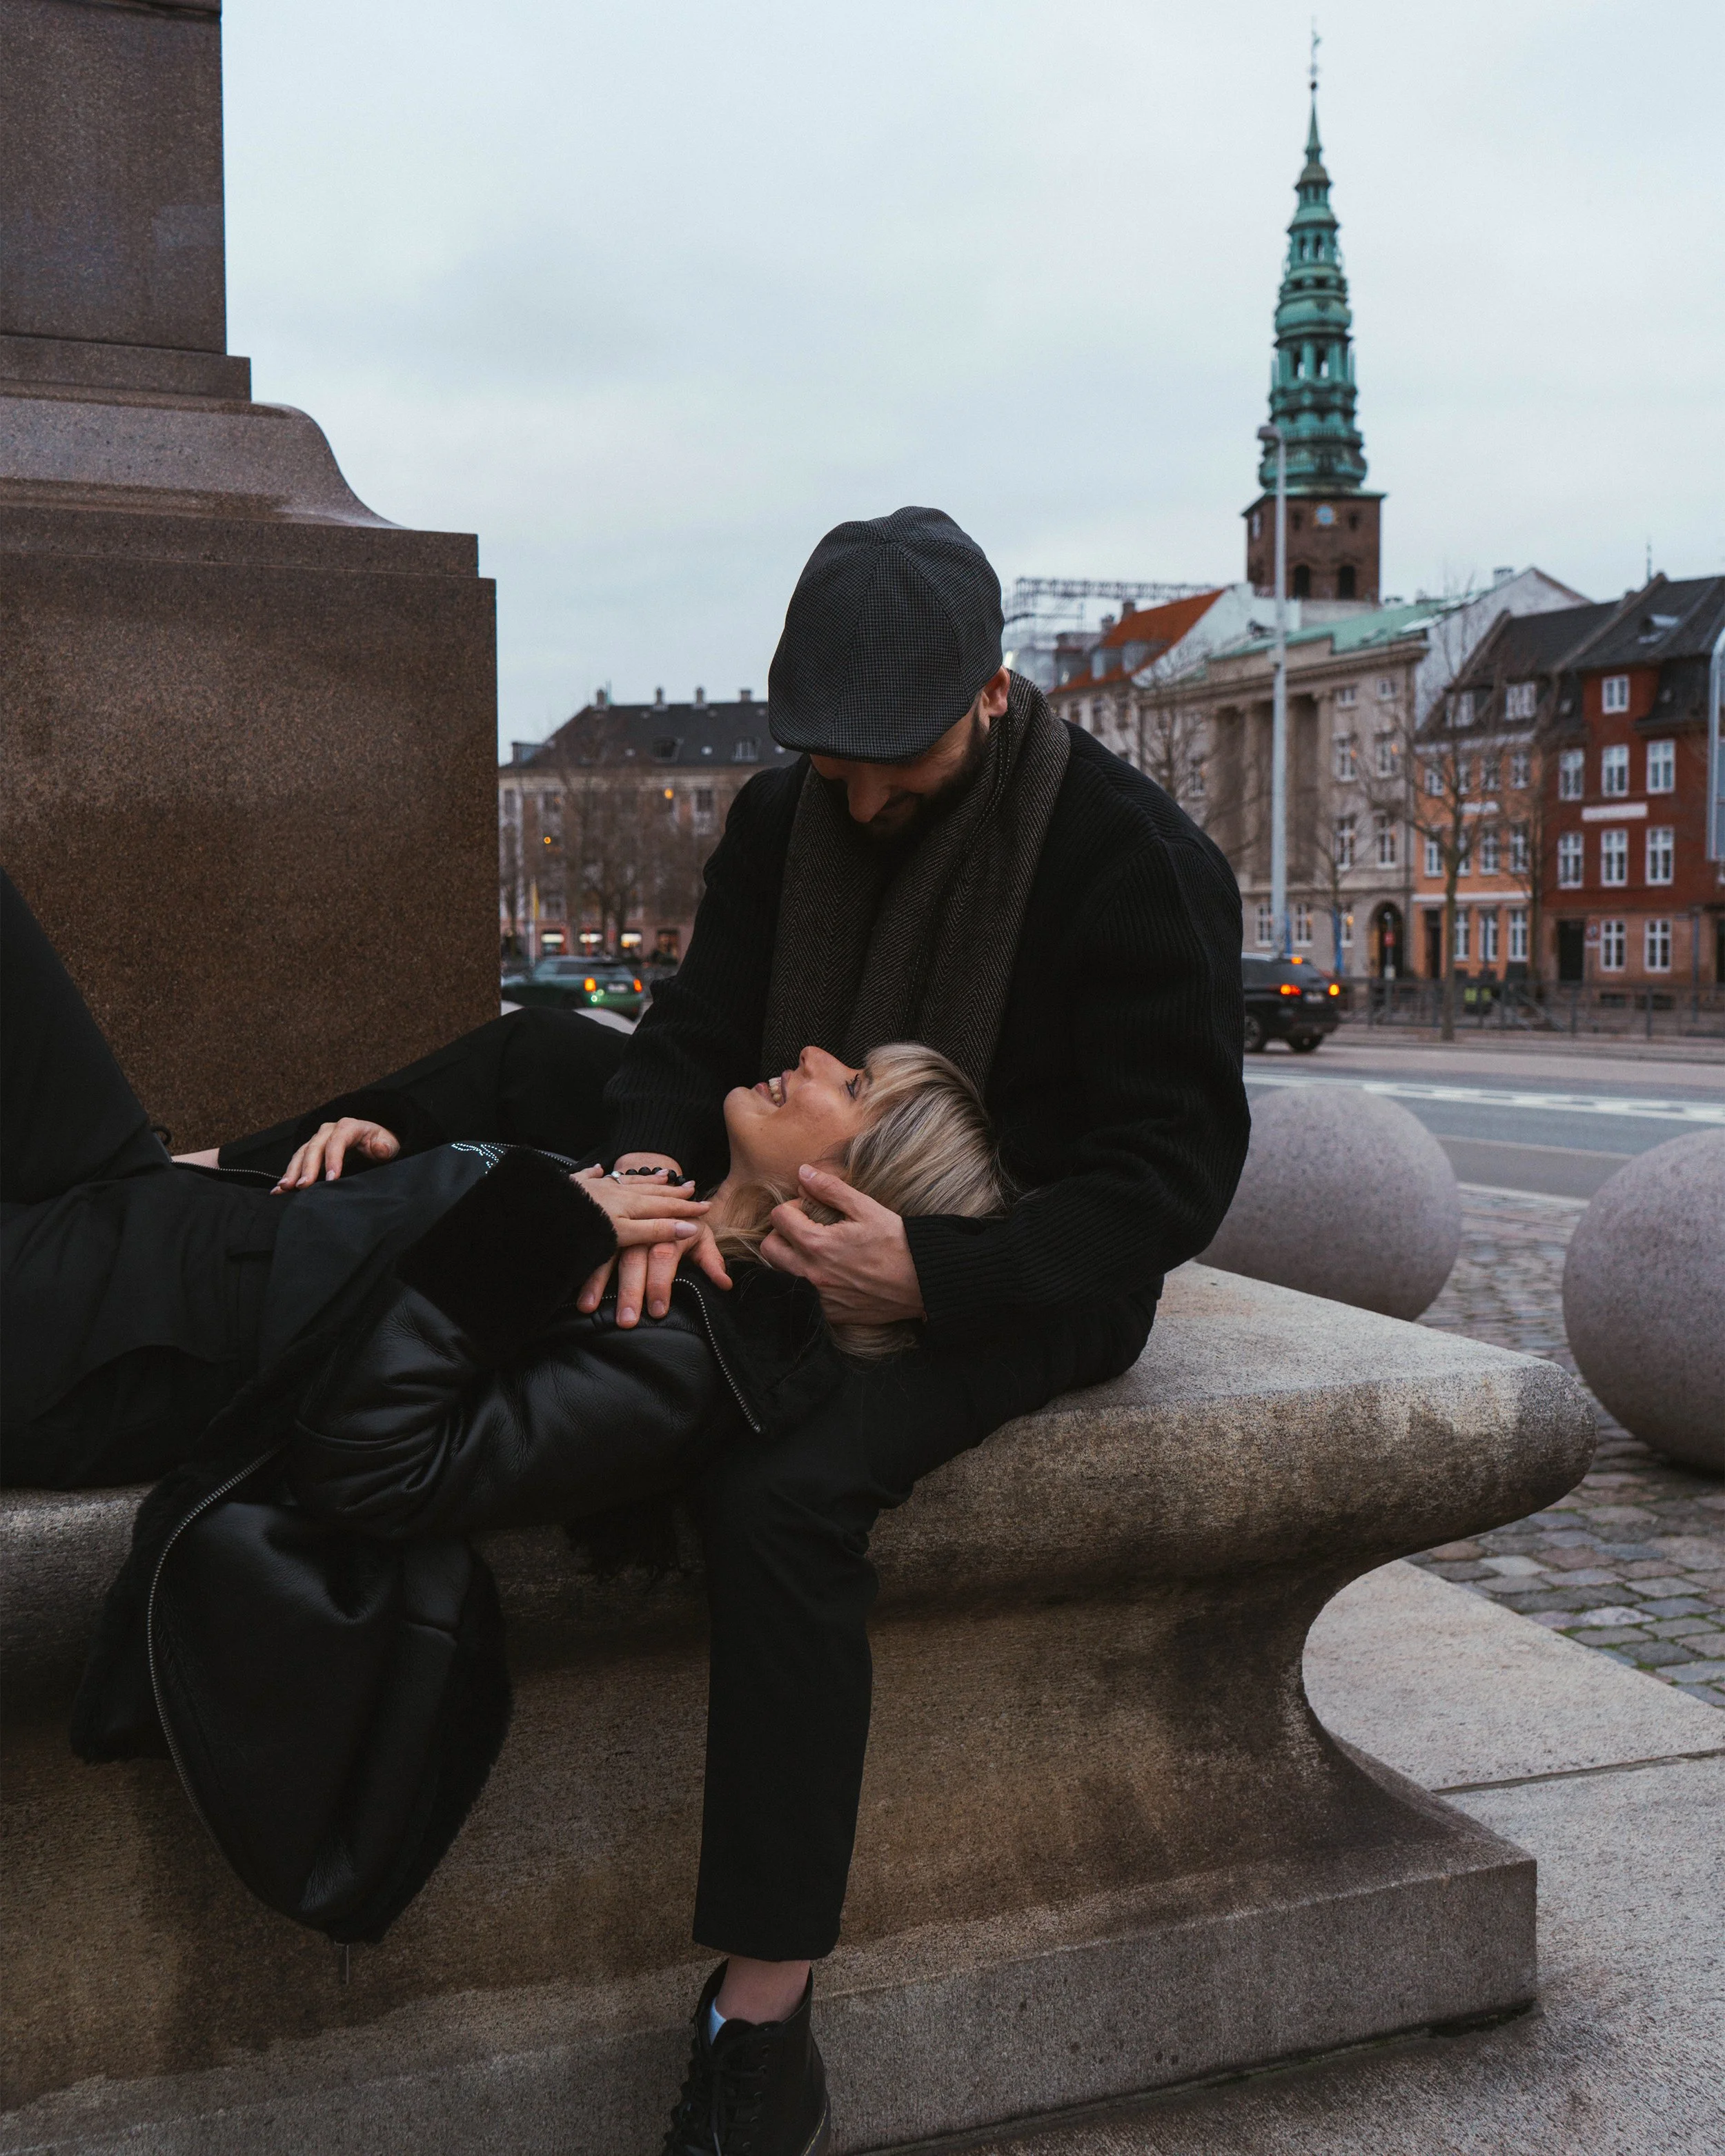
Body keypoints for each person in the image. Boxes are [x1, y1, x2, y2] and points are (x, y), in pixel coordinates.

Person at [198, 506, 1249, 2156]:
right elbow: (694, 1036)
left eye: (892, 767)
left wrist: (934, 1273)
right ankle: (224, 1183)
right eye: (829, 766)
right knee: (551, 1059)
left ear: (989, 695)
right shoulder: (782, 814)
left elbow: (1168, 1175)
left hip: (1016, 1258)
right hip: (794, 1170)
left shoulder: (1128, 858)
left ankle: (761, 2021)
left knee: (784, 1484)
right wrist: (642, 1176)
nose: (856, 801)